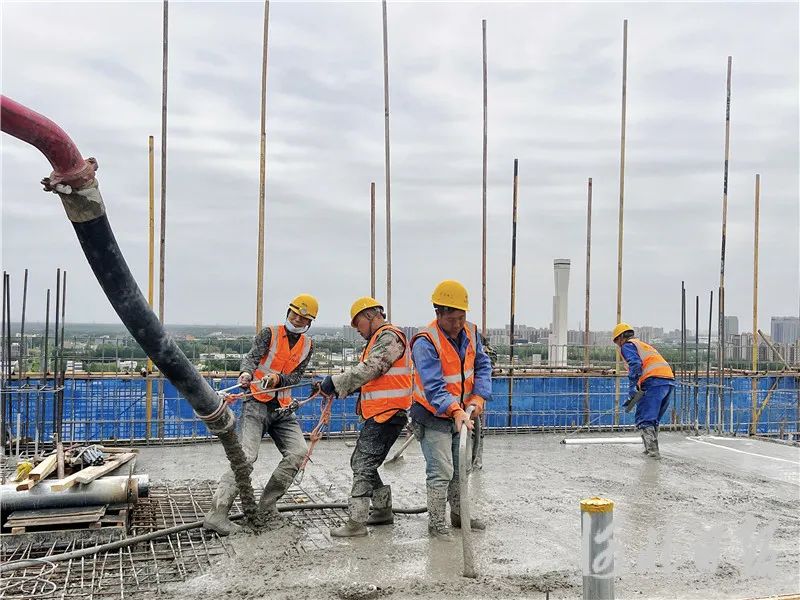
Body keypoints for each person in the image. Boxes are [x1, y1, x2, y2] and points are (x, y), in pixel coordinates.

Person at [203, 294, 317, 535]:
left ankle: (266, 507)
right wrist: (246, 374)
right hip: (256, 402)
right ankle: (217, 513)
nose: (296, 320)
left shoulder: (308, 345)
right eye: (294, 315)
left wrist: (279, 379)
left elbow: (296, 376)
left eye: (302, 318)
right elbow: (252, 358)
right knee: (246, 457)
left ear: (309, 322)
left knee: (298, 453)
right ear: (288, 313)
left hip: (282, 408)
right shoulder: (269, 333)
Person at [315, 297, 412, 537]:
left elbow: (371, 368)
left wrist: (335, 383)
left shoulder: (390, 337)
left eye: (358, 323)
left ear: (371, 316)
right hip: (381, 413)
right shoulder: (378, 340)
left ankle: (356, 523)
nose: (357, 330)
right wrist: (336, 387)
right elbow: (374, 379)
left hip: (388, 413)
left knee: (363, 464)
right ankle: (382, 509)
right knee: (362, 462)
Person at [410, 280, 493, 541]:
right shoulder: (425, 341)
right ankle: (436, 525)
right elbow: (434, 387)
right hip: (433, 415)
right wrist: (456, 410)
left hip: (463, 413)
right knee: (441, 470)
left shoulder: (470, 332)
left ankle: (459, 516)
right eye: (453, 318)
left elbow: (482, 365)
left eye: (462, 317)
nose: (459, 324)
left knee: (462, 467)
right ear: (439, 313)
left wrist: (478, 397)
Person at [613, 322, 675, 460]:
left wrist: (632, 386)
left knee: (645, 418)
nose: (618, 345)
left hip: (654, 382)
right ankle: (650, 450)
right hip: (668, 381)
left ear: (621, 337)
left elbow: (635, 364)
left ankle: (653, 453)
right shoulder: (643, 345)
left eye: (617, 342)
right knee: (653, 419)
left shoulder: (627, 346)